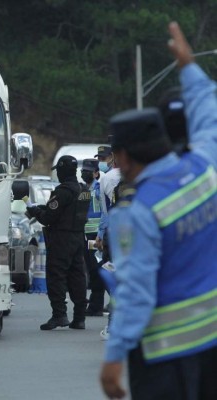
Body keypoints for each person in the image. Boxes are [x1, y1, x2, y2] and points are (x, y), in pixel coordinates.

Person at [100, 22, 217, 400]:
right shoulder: (204, 169)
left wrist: (114, 355)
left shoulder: (135, 210)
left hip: (165, 357)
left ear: (123, 157)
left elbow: (136, 291)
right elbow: (209, 116)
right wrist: (189, 68)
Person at [26, 155, 90, 330]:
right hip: (78, 237)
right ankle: (79, 318)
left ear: (62, 171)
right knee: (77, 276)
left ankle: (59, 315)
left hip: (61, 239)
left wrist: (35, 212)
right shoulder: (84, 189)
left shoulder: (62, 192)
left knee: (57, 276)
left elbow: (49, 218)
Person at [80, 158, 106, 317]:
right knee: (90, 268)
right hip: (85, 234)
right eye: (83, 171)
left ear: (96, 173)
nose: (84, 174)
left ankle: (96, 305)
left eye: (88, 172)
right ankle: (94, 302)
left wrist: (101, 234)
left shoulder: (100, 188)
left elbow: (104, 212)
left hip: (96, 235)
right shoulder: (83, 188)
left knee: (97, 269)